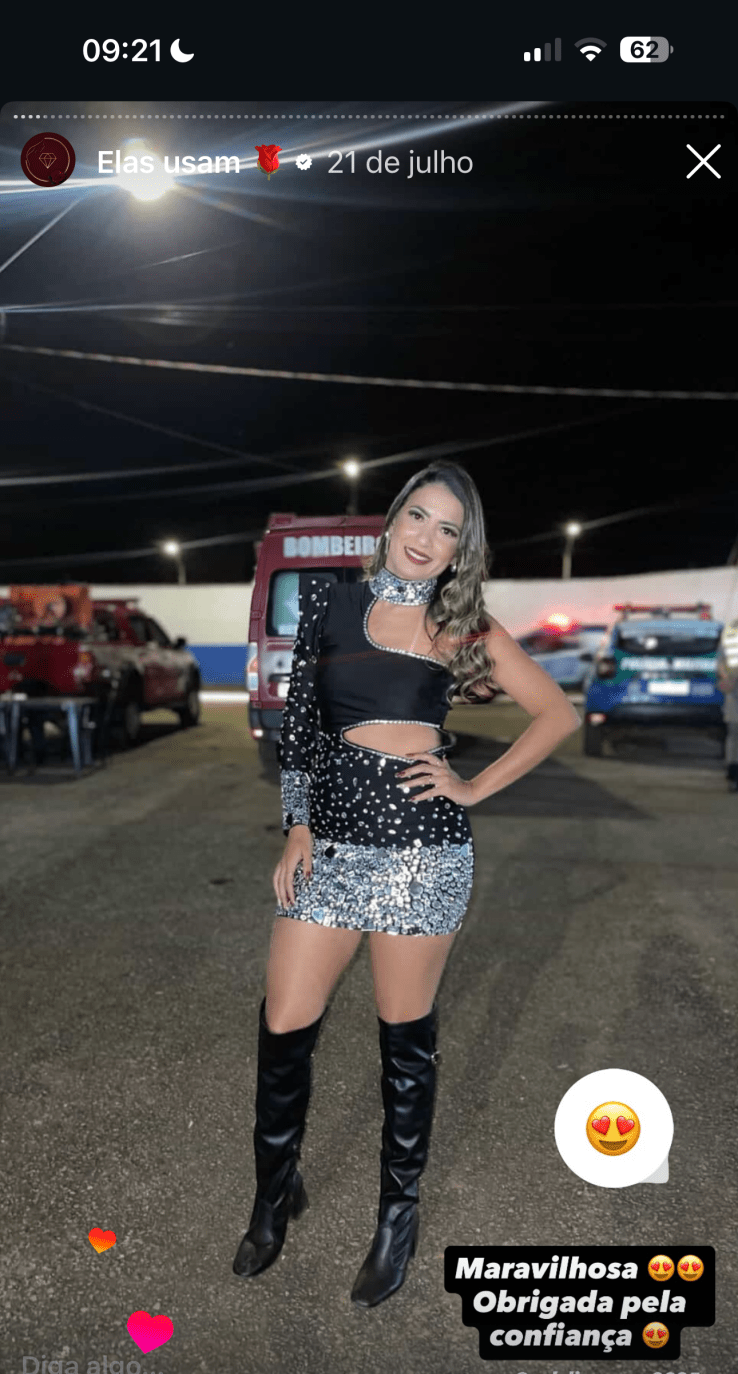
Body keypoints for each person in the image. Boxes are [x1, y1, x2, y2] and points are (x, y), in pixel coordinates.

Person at [233, 461, 581, 1307]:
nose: (427, 538)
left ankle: (398, 1215)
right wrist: (298, 826)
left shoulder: (462, 627)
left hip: (423, 851)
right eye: (417, 517)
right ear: (391, 521)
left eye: (447, 529)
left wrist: (473, 786)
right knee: (284, 1022)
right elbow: (301, 727)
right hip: (332, 846)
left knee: (404, 1041)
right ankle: (274, 1194)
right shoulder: (330, 605)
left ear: (462, 550)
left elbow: (557, 714)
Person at [716, 616, 738, 792]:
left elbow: (720, 663)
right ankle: (733, 774)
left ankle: (733, 775)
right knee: (734, 736)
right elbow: (721, 663)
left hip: (733, 692)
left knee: (734, 736)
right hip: (734, 693)